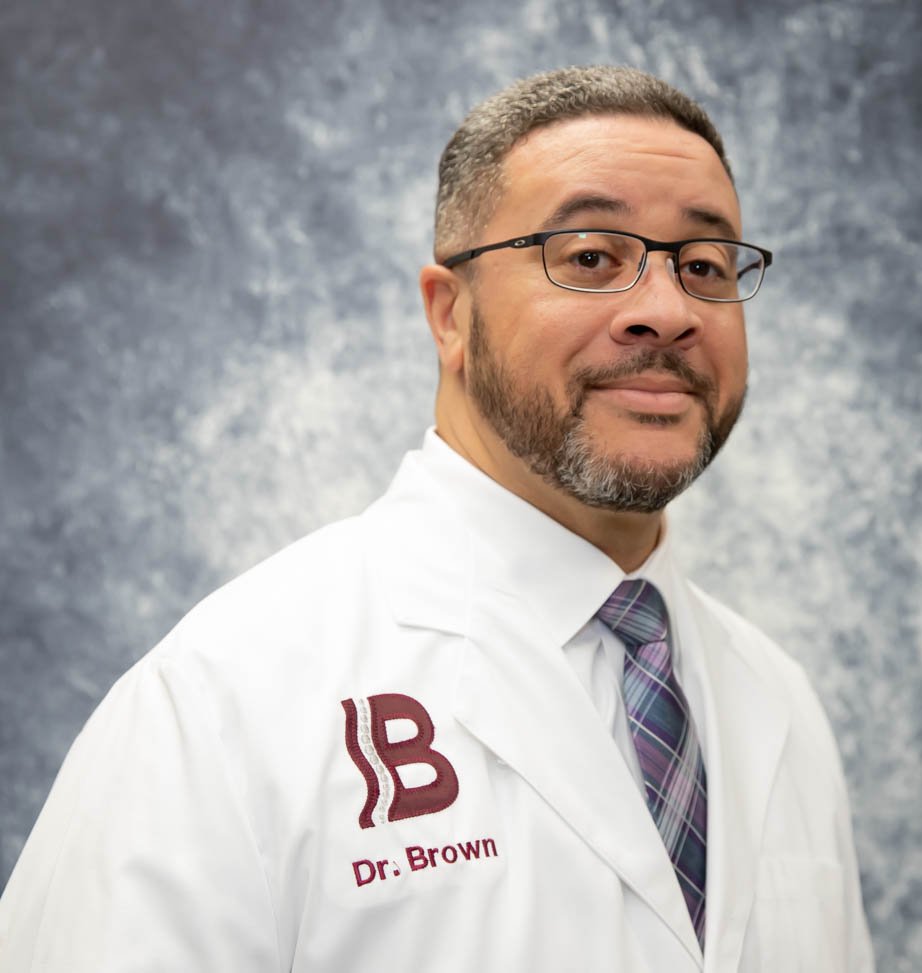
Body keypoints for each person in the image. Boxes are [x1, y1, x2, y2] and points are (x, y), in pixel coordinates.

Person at [0, 65, 874, 972]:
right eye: (590, 257)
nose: (665, 310)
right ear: (450, 314)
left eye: (703, 265)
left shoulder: (778, 701)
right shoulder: (223, 701)